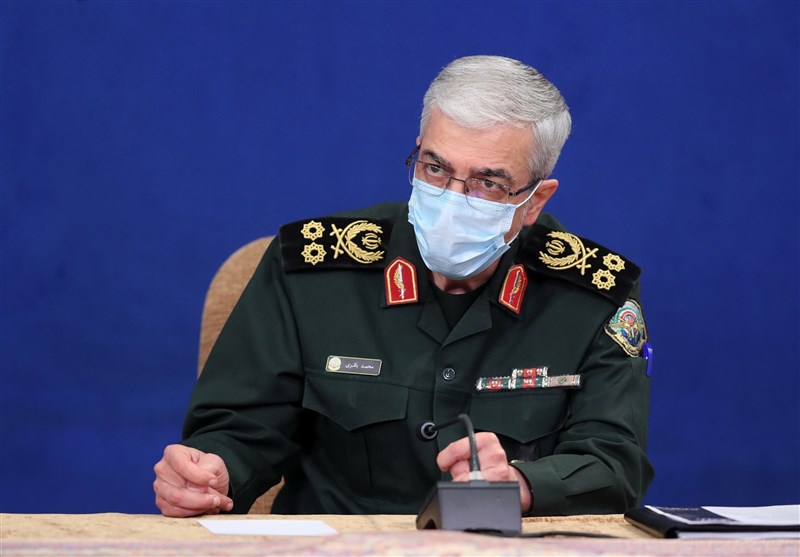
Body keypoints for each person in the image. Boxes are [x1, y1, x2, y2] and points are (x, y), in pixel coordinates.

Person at [153, 55, 654, 518]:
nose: (452, 198)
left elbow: (614, 463)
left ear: (535, 201)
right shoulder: (312, 269)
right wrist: (212, 471)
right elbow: (241, 429)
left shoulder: (594, 295)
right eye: (435, 168)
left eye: (488, 182)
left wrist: (520, 485)